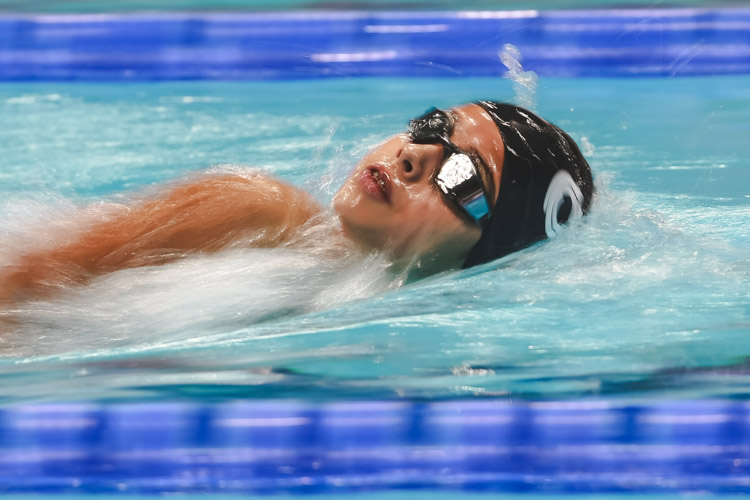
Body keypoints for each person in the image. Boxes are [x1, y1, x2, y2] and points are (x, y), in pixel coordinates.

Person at [0, 101, 593, 305]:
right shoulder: (256, 212)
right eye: (433, 127)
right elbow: (29, 285)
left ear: (489, 253)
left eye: (463, 176)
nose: (416, 156)